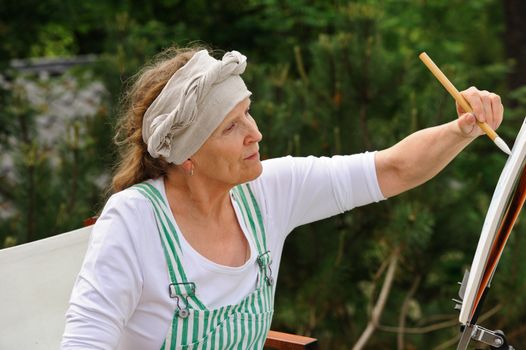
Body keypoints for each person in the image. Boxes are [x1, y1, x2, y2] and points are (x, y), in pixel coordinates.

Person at [61, 47, 504, 350]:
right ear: (187, 156)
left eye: (247, 112)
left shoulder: (269, 190)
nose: (256, 133)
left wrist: (461, 129)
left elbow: (391, 168)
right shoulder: (135, 218)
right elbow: (85, 341)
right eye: (232, 126)